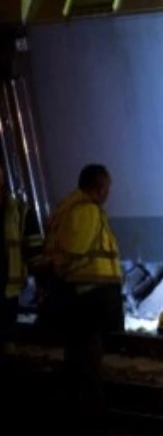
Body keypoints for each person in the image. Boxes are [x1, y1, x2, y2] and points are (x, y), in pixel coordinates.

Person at [44, 164, 123, 421]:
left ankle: (78, 409)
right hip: (88, 296)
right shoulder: (87, 211)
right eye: (108, 187)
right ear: (99, 188)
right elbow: (74, 251)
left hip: (78, 295)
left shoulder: (68, 208)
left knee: (77, 356)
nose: (109, 193)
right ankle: (90, 413)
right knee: (89, 358)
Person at [0, 163, 41, 358]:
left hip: (9, 288)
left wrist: (42, 281)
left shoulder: (19, 211)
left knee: (7, 338)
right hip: (9, 289)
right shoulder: (17, 210)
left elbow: (34, 250)